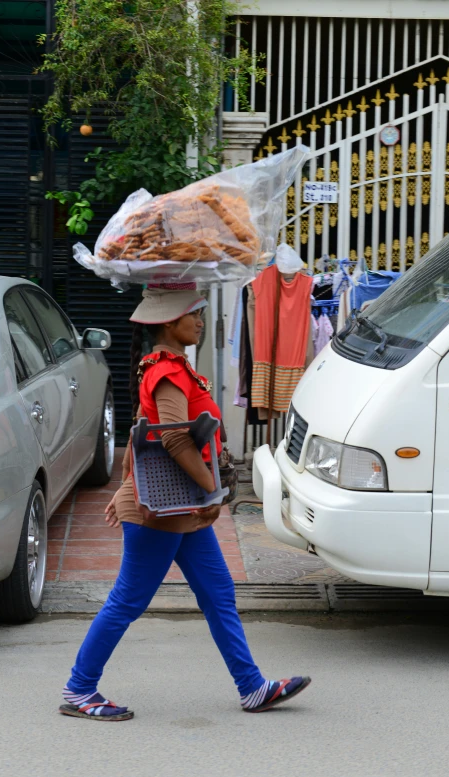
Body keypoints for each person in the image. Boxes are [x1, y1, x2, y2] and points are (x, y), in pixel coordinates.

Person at [59, 286, 311, 721]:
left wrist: (125, 489)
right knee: (128, 601)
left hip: (182, 509)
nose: (200, 321)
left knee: (218, 595)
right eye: (194, 315)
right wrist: (210, 492)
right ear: (170, 324)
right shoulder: (167, 372)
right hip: (165, 512)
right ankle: (80, 689)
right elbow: (173, 438)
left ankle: (251, 687)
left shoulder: (168, 368)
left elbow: (141, 431)